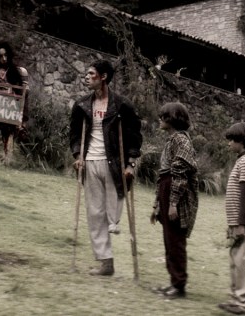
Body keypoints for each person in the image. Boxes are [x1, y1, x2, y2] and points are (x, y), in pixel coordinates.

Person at [69, 59, 143, 276]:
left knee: (116, 198)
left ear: (103, 77)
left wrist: (131, 164)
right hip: (90, 161)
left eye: (91, 74)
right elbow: (74, 134)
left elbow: (134, 136)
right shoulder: (82, 105)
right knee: (94, 212)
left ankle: (114, 222)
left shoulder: (122, 105)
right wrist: (78, 156)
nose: (86, 77)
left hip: (113, 162)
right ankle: (105, 262)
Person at [149, 102, 199, 299]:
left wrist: (172, 203)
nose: (160, 120)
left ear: (173, 119)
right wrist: (157, 204)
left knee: (176, 240)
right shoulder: (171, 140)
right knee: (169, 240)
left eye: (164, 116)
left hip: (175, 191)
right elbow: (163, 174)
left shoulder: (181, 140)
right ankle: (173, 282)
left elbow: (180, 174)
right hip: (166, 187)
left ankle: (179, 285)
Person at [218, 122, 245, 315]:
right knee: (236, 260)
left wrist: (242, 224)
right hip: (236, 221)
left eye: (231, 140)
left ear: (241, 141)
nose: (228, 143)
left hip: (244, 222)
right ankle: (237, 298)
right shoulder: (242, 160)